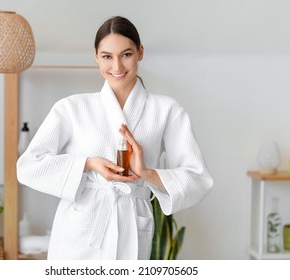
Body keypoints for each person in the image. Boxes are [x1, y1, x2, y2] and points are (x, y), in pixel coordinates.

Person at [16, 16, 214, 260]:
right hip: (81, 227)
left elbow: (198, 177)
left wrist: (147, 173)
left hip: (133, 222)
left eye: (126, 54)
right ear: (96, 56)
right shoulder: (71, 107)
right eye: (107, 56)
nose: (117, 66)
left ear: (140, 52)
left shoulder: (166, 110)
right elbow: (28, 166)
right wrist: (88, 163)